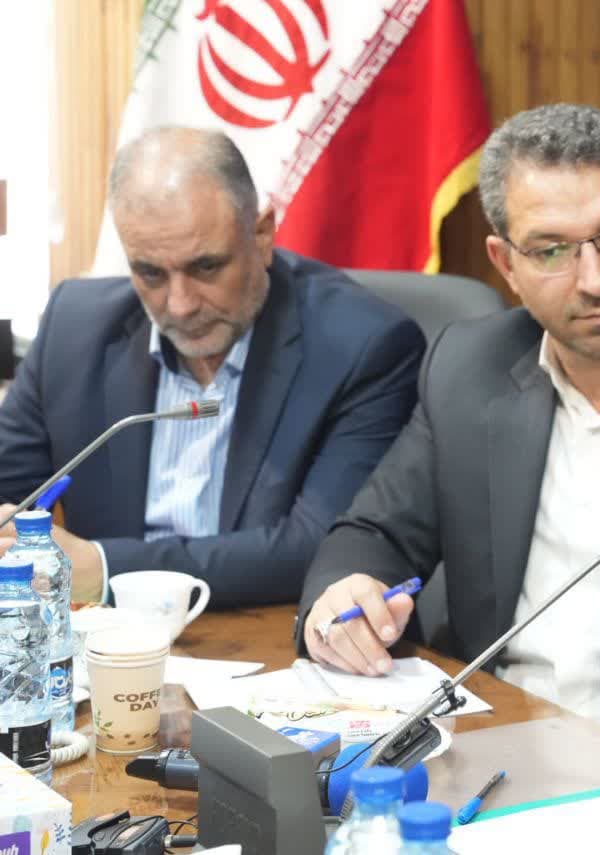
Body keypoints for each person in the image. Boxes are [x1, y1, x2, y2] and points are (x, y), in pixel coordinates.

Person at [297, 104, 600, 767]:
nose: (595, 279)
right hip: (482, 742)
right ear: (504, 261)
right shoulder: (467, 368)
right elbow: (375, 532)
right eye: (553, 249)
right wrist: (344, 591)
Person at [0, 127, 425, 607]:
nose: (180, 305)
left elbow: (323, 547)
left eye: (205, 267)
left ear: (261, 235)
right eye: (150, 273)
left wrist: (104, 568)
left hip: (272, 635)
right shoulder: (74, 328)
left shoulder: (364, 346)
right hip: (107, 638)